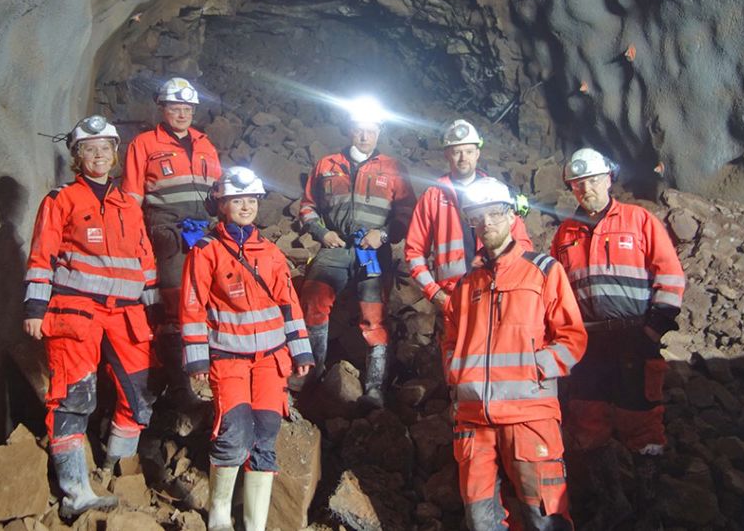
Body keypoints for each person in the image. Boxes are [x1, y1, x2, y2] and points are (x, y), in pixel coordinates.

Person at [22, 115, 159, 519]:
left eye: (105, 149)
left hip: (127, 314)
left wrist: (154, 312)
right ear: (77, 157)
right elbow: (42, 254)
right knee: (72, 397)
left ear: (115, 155)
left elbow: (145, 261)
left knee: (138, 395)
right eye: (89, 149)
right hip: (76, 309)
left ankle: (115, 469)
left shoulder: (128, 206)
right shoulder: (61, 199)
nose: (98, 156)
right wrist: (35, 307)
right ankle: (75, 492)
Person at [549, 148, 685, 529]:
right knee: (587, 421)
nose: (586, 189)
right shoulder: (565, 235)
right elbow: (557, 294)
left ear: (608, 179)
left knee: (641, 419)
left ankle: (649, 508)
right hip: (588, 344)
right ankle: (615, 503)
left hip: (633, 339)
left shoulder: (638, 220)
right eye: (578, 184)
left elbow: (670, 275)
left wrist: (653, 328)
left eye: (592, 180)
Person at [443, 177, 586, 530]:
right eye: (479, 216)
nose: (487, 223)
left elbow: (572, 338)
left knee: (544, 518)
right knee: (481, 520)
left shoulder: (543, 270)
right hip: (475, 420)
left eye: (495, 213)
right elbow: (450, 340)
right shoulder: (465, 286)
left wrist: (534, 369)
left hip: (529, 418)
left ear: (512, 217)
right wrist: (456, 375)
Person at [180, 167, 314, 531]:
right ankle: (220, 515)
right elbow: (192, 306)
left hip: (271, 361)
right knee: (234, 433)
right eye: (237, 201)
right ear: (222, 204)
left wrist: (301, 352)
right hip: (229, 360)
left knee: (266, 435)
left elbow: (289, 304)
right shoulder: (206, 252)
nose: (245, 207)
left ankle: (255, 525)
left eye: (251, 200)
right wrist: (196, 358)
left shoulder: (269, 252)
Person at [297, 95, 416, 407]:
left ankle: (375, 388)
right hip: (336, 248)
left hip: (373, 252)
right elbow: (308, 207)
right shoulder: (326, 165)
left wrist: (385, 234)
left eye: (371, 130)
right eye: (359, 129)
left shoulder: (392, 168)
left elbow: (406, 213)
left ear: (378, 131)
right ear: (350, 130)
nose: (365, 136)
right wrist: (322, 233)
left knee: (373, 316)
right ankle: (313, 373)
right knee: (313, 299)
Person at [123, 77, 221, 405]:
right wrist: (137, 238)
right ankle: (181, 387)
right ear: (162, 109)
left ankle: (210, 375)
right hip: (168, 231)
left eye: (187, 108)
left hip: (204, 232)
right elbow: (132, 196)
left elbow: (218, 194)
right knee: (178, 304)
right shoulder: (145, 144)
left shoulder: (206, 144)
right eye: (175, 107)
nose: (182, 114)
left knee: (210, 300)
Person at [405, 119, 533, 311]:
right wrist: (434, 293)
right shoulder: (433, 196)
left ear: (478, 154)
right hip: (453, 297)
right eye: (457, 152)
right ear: (447, 155)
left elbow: (522, 245)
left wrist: (514, 285)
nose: (463, 158)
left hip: (496, 292)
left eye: (469, 151)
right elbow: (414, 252)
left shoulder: (496, 192)